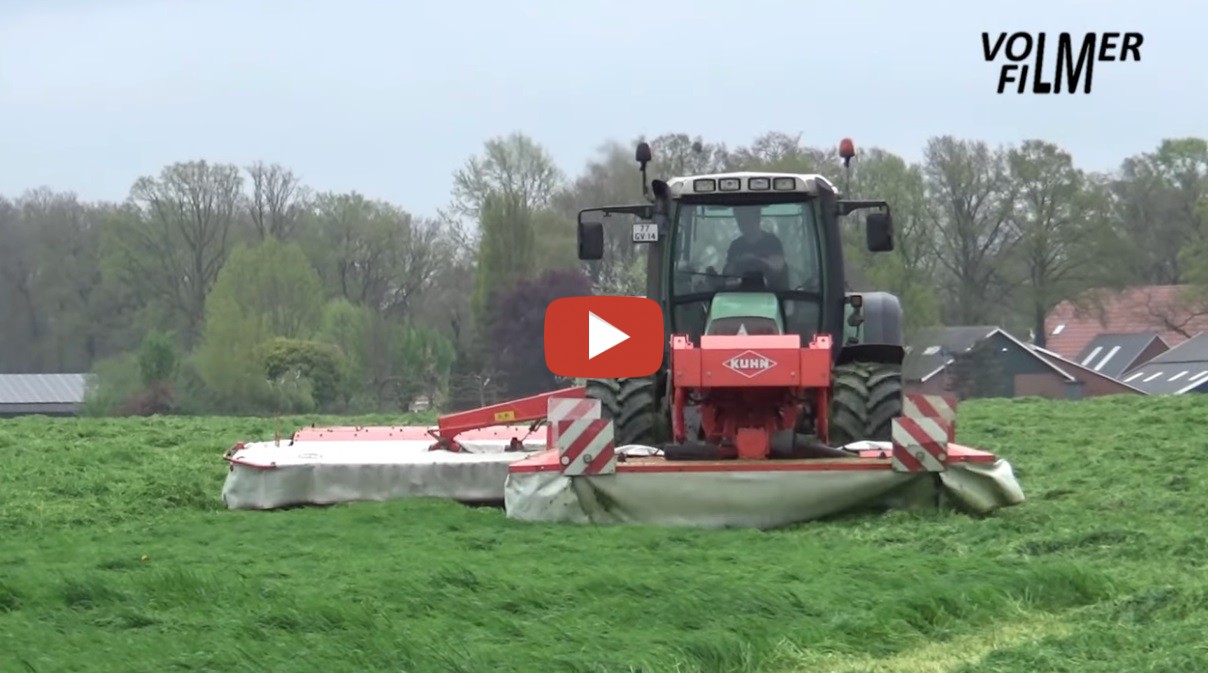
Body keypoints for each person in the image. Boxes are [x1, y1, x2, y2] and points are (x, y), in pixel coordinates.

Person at [724, 206, 788, 288]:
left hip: (773, 292)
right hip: (740, 294)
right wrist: (736, 264)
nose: (742, 224)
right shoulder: (735, 246)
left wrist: (755, 260)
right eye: (739, 219)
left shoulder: (772, 242)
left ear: (757, 219)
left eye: (746, 219)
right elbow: (728, 272)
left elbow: (778, 266)